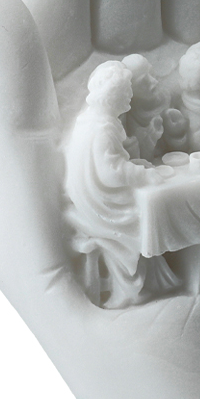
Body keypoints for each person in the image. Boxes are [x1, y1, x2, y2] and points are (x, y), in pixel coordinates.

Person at [63, 61, 166, 308]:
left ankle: (154, 278)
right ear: (113, 96)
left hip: (91, 194)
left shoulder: (90, 120)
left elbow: (112, 161)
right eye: (126, 92)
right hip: (100, 203)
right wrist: (141, 175)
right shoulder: (103, 128)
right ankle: (130, 289)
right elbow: (111, 172)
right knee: (145, 217)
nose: (130, 97)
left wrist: (138, 161)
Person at [121, 53, 169, 162]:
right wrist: (152, 134)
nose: (153, 81)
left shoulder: (164, 97)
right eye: (143, 82)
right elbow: (137, 153)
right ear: (130, 90)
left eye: (151, 73)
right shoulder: (131, 115)